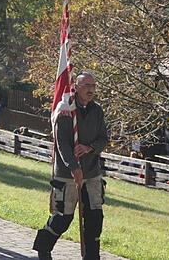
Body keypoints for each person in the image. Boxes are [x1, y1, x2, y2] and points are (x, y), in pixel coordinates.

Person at [33, 72, 109, 260]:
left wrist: (90, 147)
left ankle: (92, 256)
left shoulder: (97, 110)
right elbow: (63, 144)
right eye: (86, 85)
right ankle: (43, 249)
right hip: (67, 174)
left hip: (91, 173)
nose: (91, 89)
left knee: (94, 219)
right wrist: (74, 167)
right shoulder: (66, 110)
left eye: (93, 85)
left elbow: (104, 138)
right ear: (76, 86)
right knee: (63, 218)